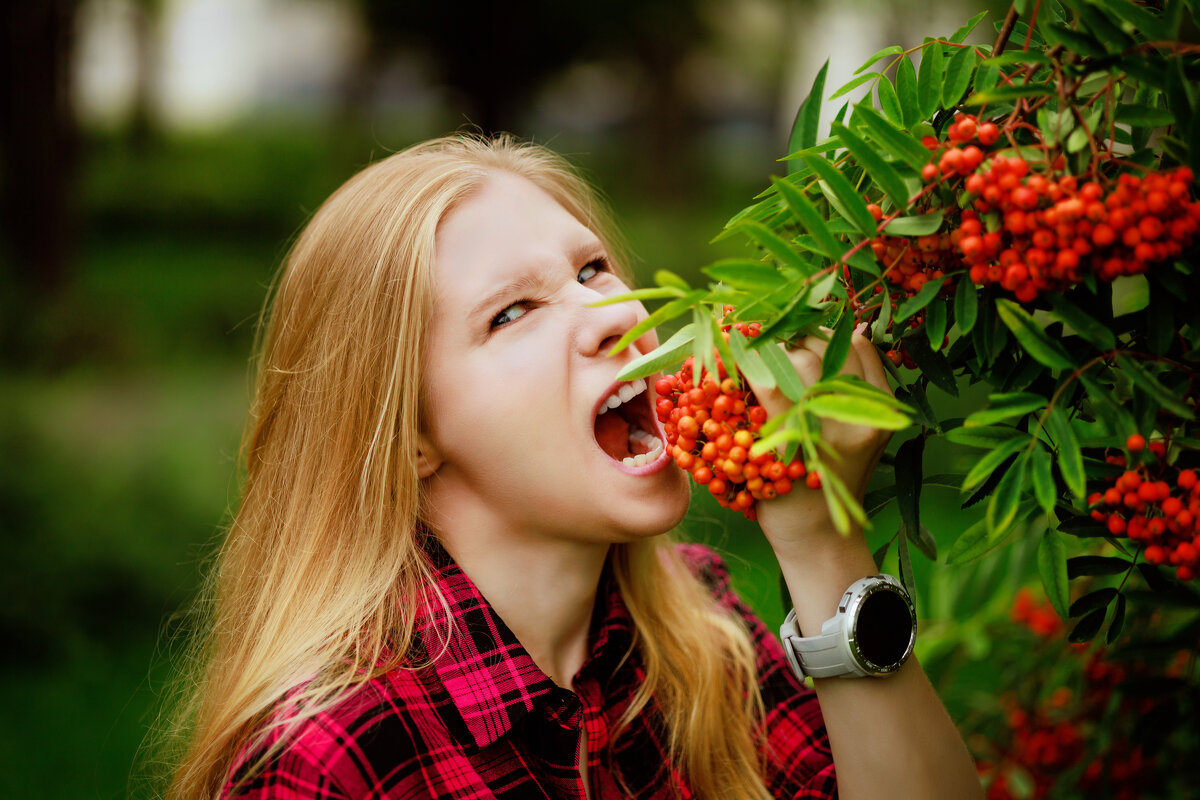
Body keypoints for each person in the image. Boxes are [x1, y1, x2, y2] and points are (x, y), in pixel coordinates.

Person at [164, 133, 983, 799]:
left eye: (592, 269)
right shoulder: (333, 761)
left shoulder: (704, 629)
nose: (616, 314)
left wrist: (820, 539)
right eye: (512, 313)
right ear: (408, 435)